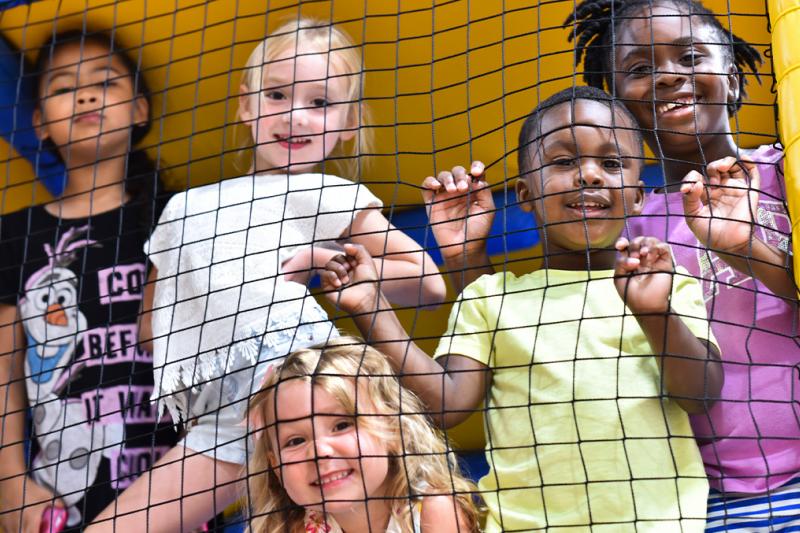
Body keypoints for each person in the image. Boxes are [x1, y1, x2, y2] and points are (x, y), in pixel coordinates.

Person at [88, 17, 445, 532]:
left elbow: (428, 282)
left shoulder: (328, 194)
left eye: (320, 104)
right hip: (224, 417)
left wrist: (325, 265)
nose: (295, 117)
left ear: (349, 123)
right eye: (277, 95)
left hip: (313, 401)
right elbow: (151, 325)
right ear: (246, 105)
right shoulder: (187, 208)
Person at [322, 86, 723, 531]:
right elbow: (447, 407)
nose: (589, 175)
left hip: (657, 523)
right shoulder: (491, 298)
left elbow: (700, 394)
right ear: (525, 195)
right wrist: (372, 307)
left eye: (612, 163)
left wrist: (655, 314)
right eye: (564, 162)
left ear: (637, 196)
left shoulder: (667, 281)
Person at [561, 1, 800, 528]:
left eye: (690, 56)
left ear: (733, 80)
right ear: (616, 105)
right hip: (703, 493)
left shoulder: (787, 172)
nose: (669, 76)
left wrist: (746, 249)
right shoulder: (622, 224)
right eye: (641, 69)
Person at [0, 30, 176, 532]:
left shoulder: (177, 215)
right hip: (58, 499)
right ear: (40, 123)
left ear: (139, 110)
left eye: (106, 82)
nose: (85, 95)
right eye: (62, 88)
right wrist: (10, 479)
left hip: (178, 487)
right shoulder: (15, 234)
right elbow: (4, 369)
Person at [246, 336, 478, 533]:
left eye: (342, 425)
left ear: (392, 428)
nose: (320, 451)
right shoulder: (290, 527)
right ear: (276, 466)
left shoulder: (432, 510)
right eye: (295, 441)